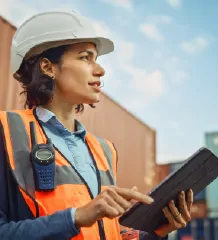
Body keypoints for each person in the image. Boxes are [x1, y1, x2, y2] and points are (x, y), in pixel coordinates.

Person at [0, 10, 193, 240]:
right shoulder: (7, 131)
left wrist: (156, 232)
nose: (100, 70)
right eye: (85, 57)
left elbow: (106, 233)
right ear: (48, 67)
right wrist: (76, 217)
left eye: (97, 60)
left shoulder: (104, 150)